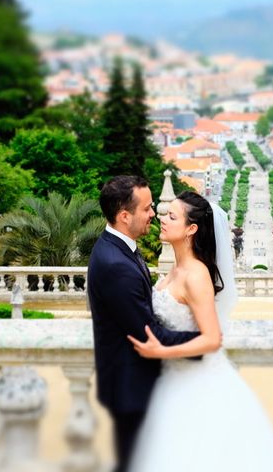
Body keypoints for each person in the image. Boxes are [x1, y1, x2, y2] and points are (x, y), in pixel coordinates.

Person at [127, 191, 273, 472]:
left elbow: (212, 338)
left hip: (197, 380)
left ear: (191, 229)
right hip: (171, 380)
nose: (162, 220)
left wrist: (162, 351)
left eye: (171, 216)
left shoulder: (196, 275)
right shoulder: (174, 269)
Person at [87, 176, 200, 472]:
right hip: (132, 386)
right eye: (148, 209)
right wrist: (202, 342)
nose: (154, 214)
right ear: (125, 216)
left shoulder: (121, 248)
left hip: (135, 381)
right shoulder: (116, 265)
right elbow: (149, 335)